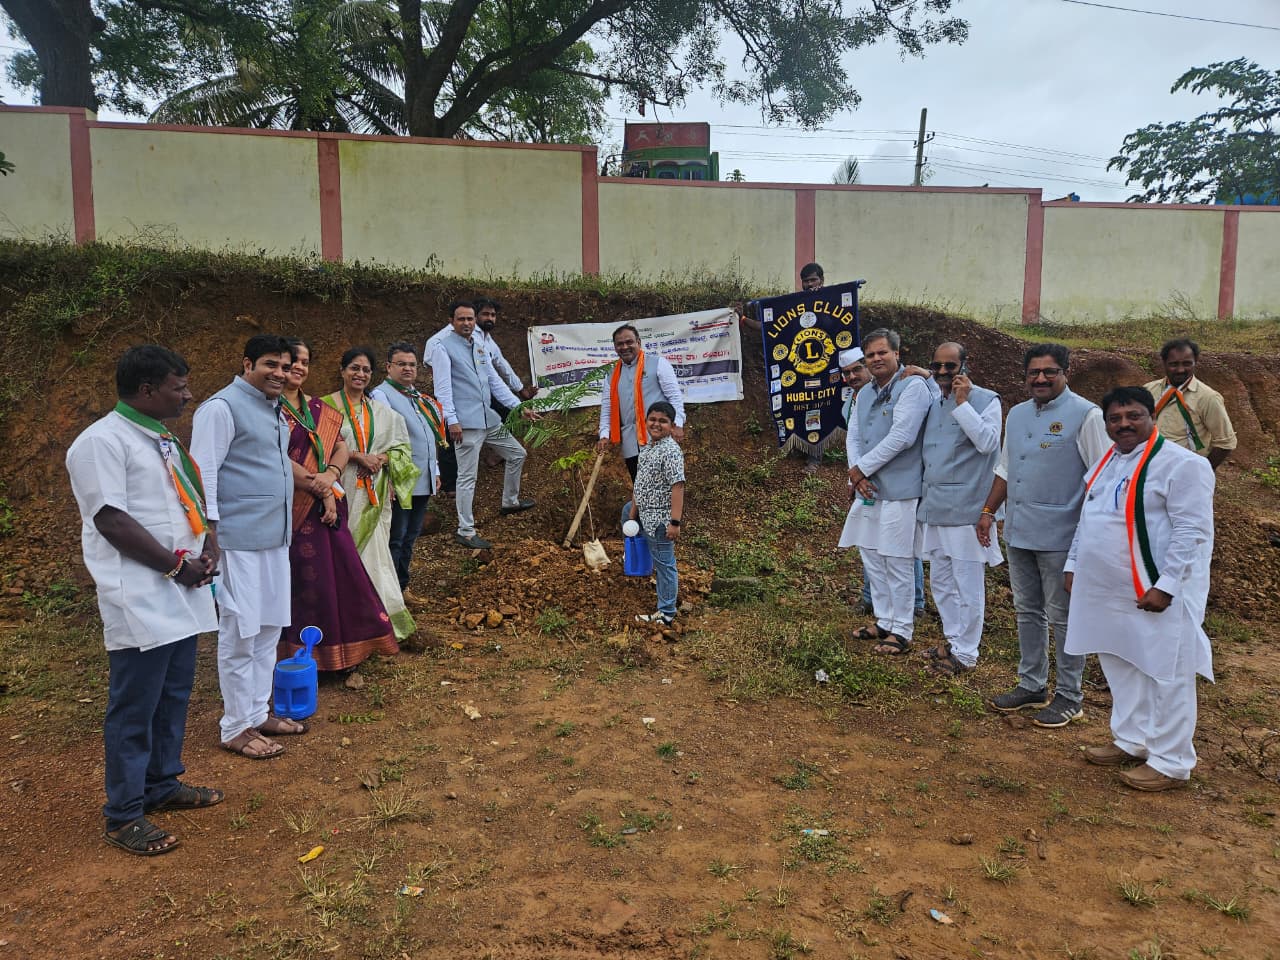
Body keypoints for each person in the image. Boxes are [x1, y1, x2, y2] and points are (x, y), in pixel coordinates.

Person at [67, 345, 221, 855]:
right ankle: (124, 813)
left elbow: (185, 501)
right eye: (180, 387)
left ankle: (161, 783)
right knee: (135, 706)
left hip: (180, 590)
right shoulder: (101, 442)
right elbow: (111, 520)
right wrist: (176, 566)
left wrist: (208, 545)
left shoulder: (160, 438)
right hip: (140, 594)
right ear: (147, 389)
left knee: (173, 695)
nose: (188, 395)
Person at [1064, 386, 1214, 791]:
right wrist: (1074, 563)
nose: (1124, 424)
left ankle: (1172, 761)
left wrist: (1167, 585)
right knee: (1120, 661)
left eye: (1133, 416)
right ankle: (1133, 739)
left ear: (1152, 417)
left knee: (1166, 670)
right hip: (1107, 588)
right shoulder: (1107, 462)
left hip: (1155, 591)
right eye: (1115, 418)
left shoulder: (1183, 465)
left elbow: (1191, 531)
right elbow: (1090, 517)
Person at [977, 343, 1110, 729]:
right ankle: (1032, 684)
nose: (1040, 378)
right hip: (1019, 531)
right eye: (1033, 372)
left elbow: (1102, 480)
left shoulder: (1087, 415)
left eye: (1049, 372)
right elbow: (1005, 468)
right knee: (1027, 611)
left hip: (1062, 537)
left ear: (1066, 372)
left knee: (1063, 616)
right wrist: (988, 511)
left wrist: (1091, 541)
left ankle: (1069, 695)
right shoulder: (1018, 414)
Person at [190, 335, 299, 760]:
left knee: (269, 628)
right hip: (236, 541)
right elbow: (203, 474)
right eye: (271, 364)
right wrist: (209, 534)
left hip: (273, 538)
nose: (280, 373)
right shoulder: (221, 408)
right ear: (247, 364)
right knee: (241, 631)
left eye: (285, 366)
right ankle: (234, 726)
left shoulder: (275, 408)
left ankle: (256, 711)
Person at [279, 339, 398, 671]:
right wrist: (322, 488)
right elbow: (275, 457)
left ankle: (343, 653)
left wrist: (330, 478)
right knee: (305, 582)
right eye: (292, 361)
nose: (299, 367)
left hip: (327, 508)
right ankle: (301, 656)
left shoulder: (317, 409)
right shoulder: (269, 409)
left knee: (340, 575)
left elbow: (340, 446)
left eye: (305, 362)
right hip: (293, 508)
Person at [838, 328, 931, 655]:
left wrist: (861, 469)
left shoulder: (913, 386)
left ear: (897, 354)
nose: (876, 359)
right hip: (867, 487)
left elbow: (903, 436)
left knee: (896, 558)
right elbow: (854, 436)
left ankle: (902, 629)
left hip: (901, 489)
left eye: (882, 353)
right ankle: (885, 619)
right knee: (871, 554)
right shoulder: (864, 393)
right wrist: (856, 474)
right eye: (871, 355)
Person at [916, 342, 1004, 676]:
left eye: (950, 366)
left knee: (968, 585)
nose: (942, 372)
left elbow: (988, 442)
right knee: (941, 582)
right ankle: (954, 641)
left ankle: (967, 653)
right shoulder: (935, 400)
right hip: (936, 506)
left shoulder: (986, 400)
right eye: (936, 366)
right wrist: (920, 373)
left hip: (967, 508)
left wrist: (963, 403)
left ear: (965, 365)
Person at [324, 346, 420, 640]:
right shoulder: (323, 408)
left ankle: (380, 622)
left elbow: (402, 450)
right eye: (354, 368)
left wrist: (381, 458)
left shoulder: (383, 413)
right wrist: (356, 456)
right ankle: (346, 622)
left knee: (376, 556)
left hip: (373, 497)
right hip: (337, 493)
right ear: (342, 370)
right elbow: (315, 449)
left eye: (366, 370)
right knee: (341, 554)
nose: (360, 374)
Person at [430, 301, 536, 549]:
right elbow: (442, 389)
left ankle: (510, 502)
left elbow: (495, 382)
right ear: (451, 322)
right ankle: (465, 531)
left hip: (488, 418)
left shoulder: (479, 346)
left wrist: (518, 407)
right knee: (467, 477)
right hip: (465, 424)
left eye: (470, 319)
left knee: (517, 454)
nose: (467, 323)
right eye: (461, 319)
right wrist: (451, 420)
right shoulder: (442, 348)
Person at [370, 342, 444, 596]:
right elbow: (383, 438)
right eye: (401, 364)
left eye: (412, 364)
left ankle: (402, 587)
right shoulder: (381, 395)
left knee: (411, 535)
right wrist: (387, 477)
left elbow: (428, 435)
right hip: (399, 478)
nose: (407, 369)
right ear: (388, 367)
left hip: (422, 476)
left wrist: (434, 469)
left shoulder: (417, 397)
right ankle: (389, 593)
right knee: (396, 536)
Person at [597, 324, 686, 480]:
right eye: (620, 344)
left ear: (638, 342)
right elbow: (607, 408)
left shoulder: (658, 364)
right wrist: (604, 434)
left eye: (629, 342)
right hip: (630, 444)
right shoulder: (611, 375)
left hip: (658, 438)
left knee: (666, 484)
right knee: (639, 485)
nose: (625, 347)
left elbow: (674, 397)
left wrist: (677, 423)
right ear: (615, 347)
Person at [625, 401, 686, 626]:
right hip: (645, 514)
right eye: (652, 419)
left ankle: (666, 613)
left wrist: (674, 522)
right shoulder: (648, 448)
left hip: (660, 520)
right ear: (646, 421)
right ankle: (638, 559)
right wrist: (632, 513)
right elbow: (639, 484)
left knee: (665, 565)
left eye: (663, 421)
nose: (656, 424)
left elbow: (678, 487)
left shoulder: (670, 451)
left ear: (672, 426)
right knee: (625, 510)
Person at [1143, 338, 1236, 470]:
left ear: (1195, 362)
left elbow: (1225, 443)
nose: (1180, 370)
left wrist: (1202, 471)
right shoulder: (1148, 390)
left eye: (1187, 364)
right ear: (1164, 363)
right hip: (1149, 468)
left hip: (1184, 471)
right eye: (1174, 364)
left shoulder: (1208, 398)